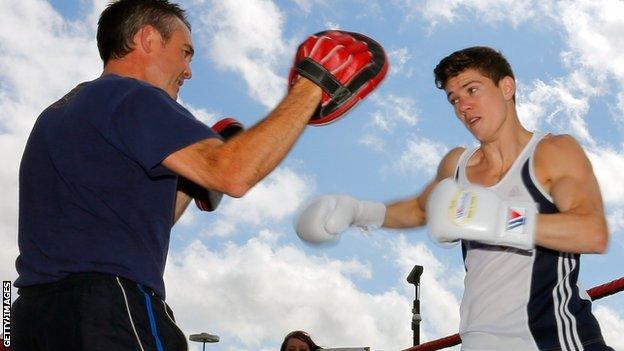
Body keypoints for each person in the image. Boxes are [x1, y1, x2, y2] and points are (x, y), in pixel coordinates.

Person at [13, 0, 386, 350]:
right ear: (147, 39)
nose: (189, 70)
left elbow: (140, 224)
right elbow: (234, 173)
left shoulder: (60, 113)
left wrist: (192, 184)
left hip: (33, 315)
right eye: (184, 52)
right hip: (110, 307)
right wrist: (312, 86)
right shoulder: (132, 96)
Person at [295, 46, 614, 350]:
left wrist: (499, 219)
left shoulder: (552, 152)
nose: (463, 106)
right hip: (478, 342)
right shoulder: (457, 165)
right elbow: (419, 211)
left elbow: (592, 233)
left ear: (506, 88)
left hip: (553, 340)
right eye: (454, 99)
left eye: (472, 90)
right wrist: (356, 211)